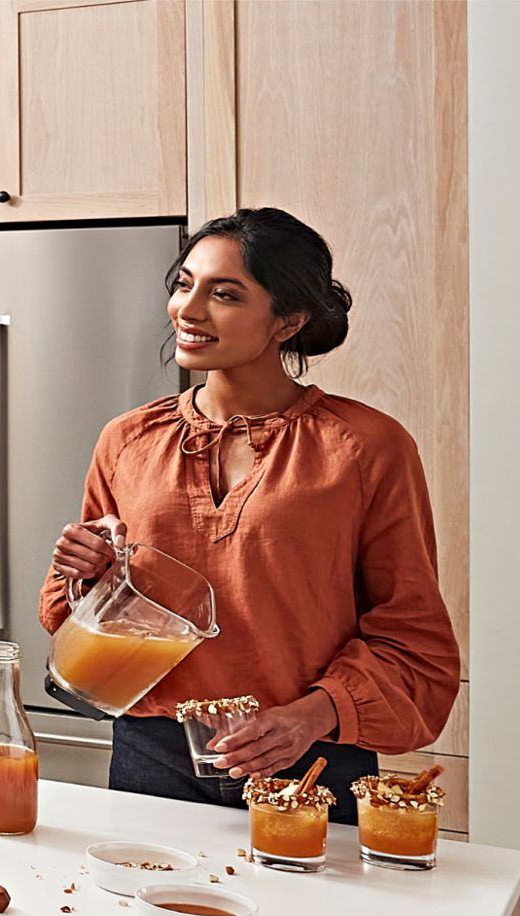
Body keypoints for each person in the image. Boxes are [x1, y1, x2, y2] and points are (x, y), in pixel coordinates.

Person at [41, 208, 459, 819]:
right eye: (184, 285)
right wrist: (91, 572)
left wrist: (308, 718)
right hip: (149, 755)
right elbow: (80, 616)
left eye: (225, 294)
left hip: (312, 759)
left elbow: (413, 638)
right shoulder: (127, 440)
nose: (188, 309)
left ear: (288, 320)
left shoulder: (367, 448)